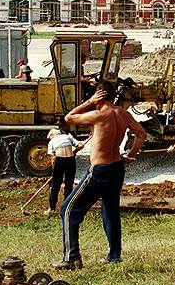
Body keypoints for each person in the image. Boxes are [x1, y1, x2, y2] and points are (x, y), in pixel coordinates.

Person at [54, 81, 146, 269]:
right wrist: (130, 155)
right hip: (116, 168)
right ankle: (114, 256)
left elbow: (69, 117)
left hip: (100, 170)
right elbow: (141, 134)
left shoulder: (97, 115)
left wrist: (89, 101)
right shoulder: (123, 114)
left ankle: (72, 258)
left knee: (67, 210)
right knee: (110, 211)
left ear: (99, 96)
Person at [45, 129, 84, 216]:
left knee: (55, 186)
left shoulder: (52, 141)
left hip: (60, 161)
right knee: (69, 185)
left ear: (52, 135)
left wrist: (54, 171)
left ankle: (51, 208)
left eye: (49, 137)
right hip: (71, 160)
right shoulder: (68, 137)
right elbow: (81, 145)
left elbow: (52, 158)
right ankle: (67, 208)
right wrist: (74, 152)